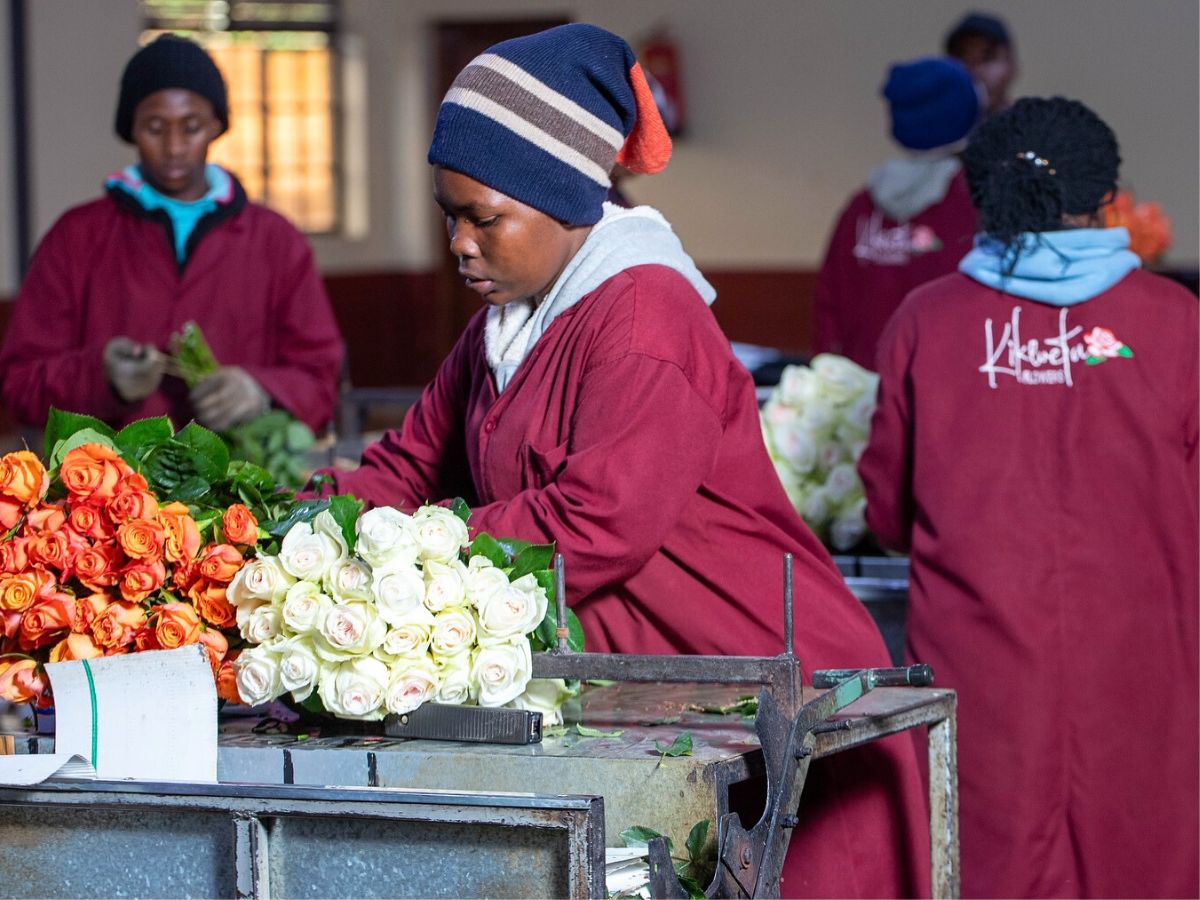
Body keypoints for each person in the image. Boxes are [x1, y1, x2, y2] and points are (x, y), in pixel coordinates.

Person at [320, 23, 931, 898]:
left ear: (565, 199)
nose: (458, 242)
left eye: (483, 217)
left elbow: (595, 521)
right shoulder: (506, 325)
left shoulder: (645, 316)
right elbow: (411, 460)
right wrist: (306, 519)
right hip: (646, 691)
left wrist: (409, 546)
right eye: (448, 215)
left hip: (750, 677)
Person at [859, 97, 1198, 898]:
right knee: (1143, 860)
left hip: (980, 678)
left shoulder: (927, 322)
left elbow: (887, 515)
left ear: (982, 193)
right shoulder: (1176, 322)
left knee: (986, 863)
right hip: (1142, 669)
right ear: (1106, 195)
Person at [0, 34, 343, 435]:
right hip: (109, 475)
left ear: (216, 126)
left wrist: (260, 391)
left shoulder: (276, 242)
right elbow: (18, 384)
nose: (174, 147)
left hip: (240, 473)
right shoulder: (75, 238)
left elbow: (322, 381)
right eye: (155, 128)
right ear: (131, 129)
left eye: (191, 127)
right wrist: (99, 377)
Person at [815, 57, 981, 369]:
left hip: (864, 385)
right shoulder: (975, 205)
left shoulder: (861, 207)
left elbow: (828, 306)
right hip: (945, 381)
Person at [944, 11, 1018, 116]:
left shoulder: (1032, 123)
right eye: (963, 59)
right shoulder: (936, 123)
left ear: (1012, 65)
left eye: (988, 57)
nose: (975, 70)